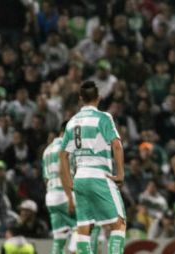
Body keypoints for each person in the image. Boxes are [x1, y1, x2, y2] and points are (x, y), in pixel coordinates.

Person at [59, 81, 126, 254]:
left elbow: (63, 155)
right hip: (99, 176)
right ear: (99, 97)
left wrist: (69, 182)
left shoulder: (72, 122)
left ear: (80, 99)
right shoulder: (103, 118)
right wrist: (120, 174)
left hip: (80, 178)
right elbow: (117, 146)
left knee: (83, 227)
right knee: (118, 224)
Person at [42, 121, 76, 254]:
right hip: (65, 195)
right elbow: (65, 172)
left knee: (59, 238)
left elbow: (46, 178)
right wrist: (69, 197)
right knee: (84, 227)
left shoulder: (47, 150)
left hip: (51, 197)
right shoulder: (67, 147)